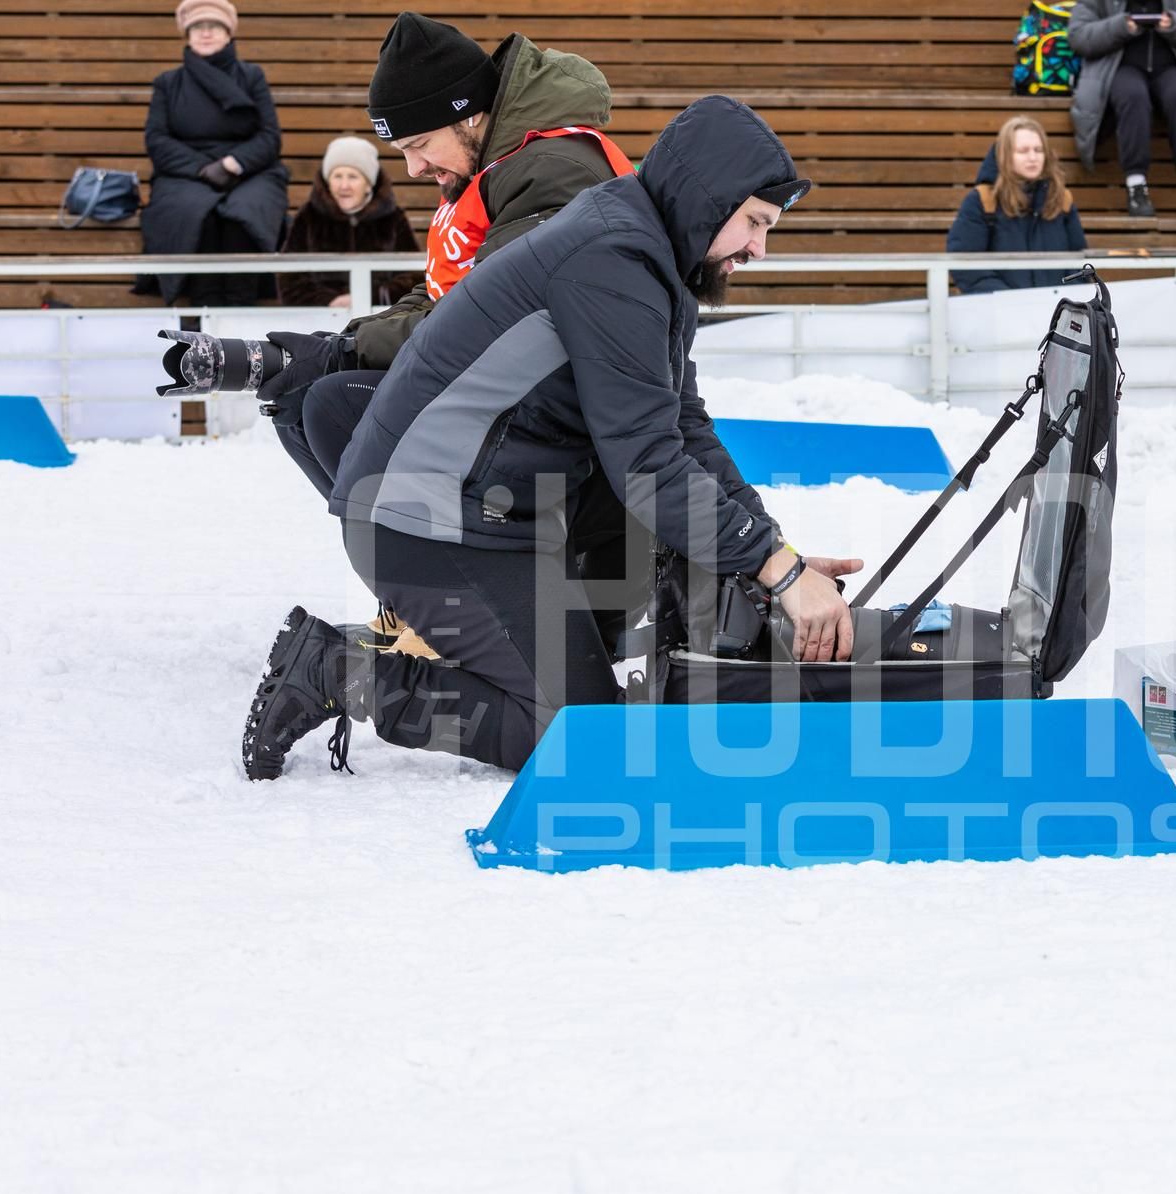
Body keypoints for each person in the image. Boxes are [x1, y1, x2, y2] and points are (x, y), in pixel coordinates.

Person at [239, 97, 862, 781]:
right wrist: (779, 571)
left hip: (497, 509)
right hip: (422, 518)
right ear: (707, 199)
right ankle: (338, 669)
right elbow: (648, 463)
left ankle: (660, 659)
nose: (758, 248)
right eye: (754, 223)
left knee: (623, 656)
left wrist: (775, 553)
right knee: (577, 738)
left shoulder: (649, 253)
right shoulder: (613, 259)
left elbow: (685, 428)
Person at [259, 12, 625, 504]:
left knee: (332, 401)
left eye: (420, 145)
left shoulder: (551, 172)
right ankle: (409, 555)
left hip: (566, 410)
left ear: (468, 114)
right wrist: (338, 343)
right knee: (302, 401)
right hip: (510, 381)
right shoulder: (488, 167)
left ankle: (450, 559)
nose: (413, 168)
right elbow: (440, 292)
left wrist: (340, 355)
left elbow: (493, 317)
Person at [137, 0, 288, 306]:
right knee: (194, 211)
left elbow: (269, 137)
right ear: (187, 34)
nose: (206, 33)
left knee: (246, 211)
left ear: (228, 33)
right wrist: (203, 169)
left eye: (214, 26)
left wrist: (233, 164)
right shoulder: (168, 83)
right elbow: (157, 139)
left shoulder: (252, 76)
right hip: (186, 173)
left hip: (249, 170)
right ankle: (202, 309)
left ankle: (241, 308)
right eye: (198, 27)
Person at [1067, 0, 1176, 219]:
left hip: (1173, 68)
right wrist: (1122, 26)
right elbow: (1079, 36)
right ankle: (1136, 186)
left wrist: (1175, 25)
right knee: (1133, 97)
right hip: (1118, 68)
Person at [944, 117, 1088, 294]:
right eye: (1023, 151)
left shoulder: (1062, 199)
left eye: (1039, 150)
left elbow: (1080, 263)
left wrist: (1064, 299)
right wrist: (1009, 300)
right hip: (1000, 313)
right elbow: (966, 265)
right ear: (1005, 155)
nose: (1033, 157)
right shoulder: (981, 200)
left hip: (1058, 311)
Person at [277, 135, 419, 309]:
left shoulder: (393, 218)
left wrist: (369, 297)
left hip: (379, 316)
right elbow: (289, 279)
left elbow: (413, 276)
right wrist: (329, 301)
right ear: (328, 182)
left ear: (368, 185)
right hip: (320, 317)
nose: (344, 185)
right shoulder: (309, 216)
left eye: (352, 177)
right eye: (337, 176)